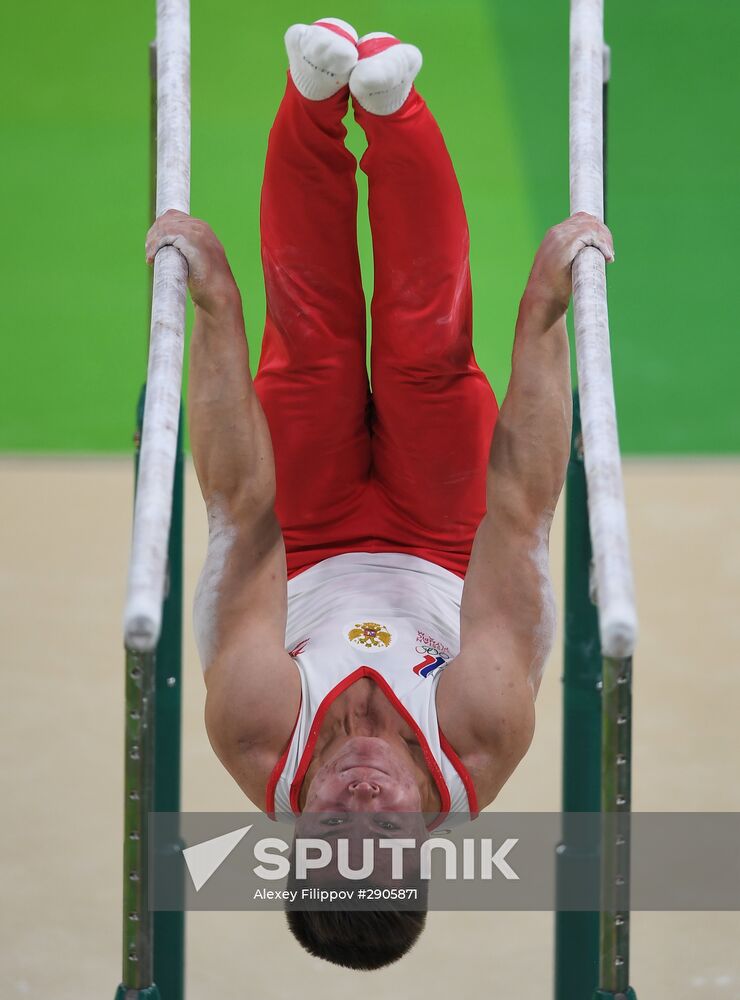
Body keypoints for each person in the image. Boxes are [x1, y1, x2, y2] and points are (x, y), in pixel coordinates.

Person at [145, 16, 615, 970]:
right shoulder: (480, 726)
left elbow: (243, 508)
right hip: (447, 535)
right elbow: (521, 509)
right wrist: (540, 319)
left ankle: (311, 102)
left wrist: (222, 311)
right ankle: (396, 113)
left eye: (331, 833)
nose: (358, 801)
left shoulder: (255, 723)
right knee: (427, 349)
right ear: (426, 847)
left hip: (303, 533)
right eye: (383, 834)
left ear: (293, 839)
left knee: (309, 349)